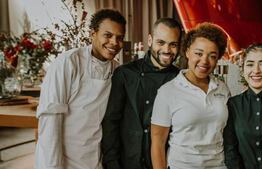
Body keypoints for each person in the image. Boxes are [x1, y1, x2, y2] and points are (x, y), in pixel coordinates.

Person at [35, 9, 126, 169]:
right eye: (108, 35)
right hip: (65, 160)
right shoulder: (68, 63)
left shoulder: (118, 71)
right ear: (93, 33)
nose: (114, 42)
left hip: (96, 159)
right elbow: (50, 121)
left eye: (119, 38)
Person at [101, 18, 181, 169]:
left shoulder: (181, 79)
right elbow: (111, 123)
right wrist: (112, 164)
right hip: (128, 162)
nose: (167, 50)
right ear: (150, 40)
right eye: (161, 42)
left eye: (173, 44)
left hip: (165, 163)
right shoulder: (125, 74)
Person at [151, 22, 230, 169]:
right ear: (187, 52)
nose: (204, 61)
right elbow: (157, 143)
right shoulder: (167, 91)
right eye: (198, 53)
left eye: (212, 56)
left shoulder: (223, 89)